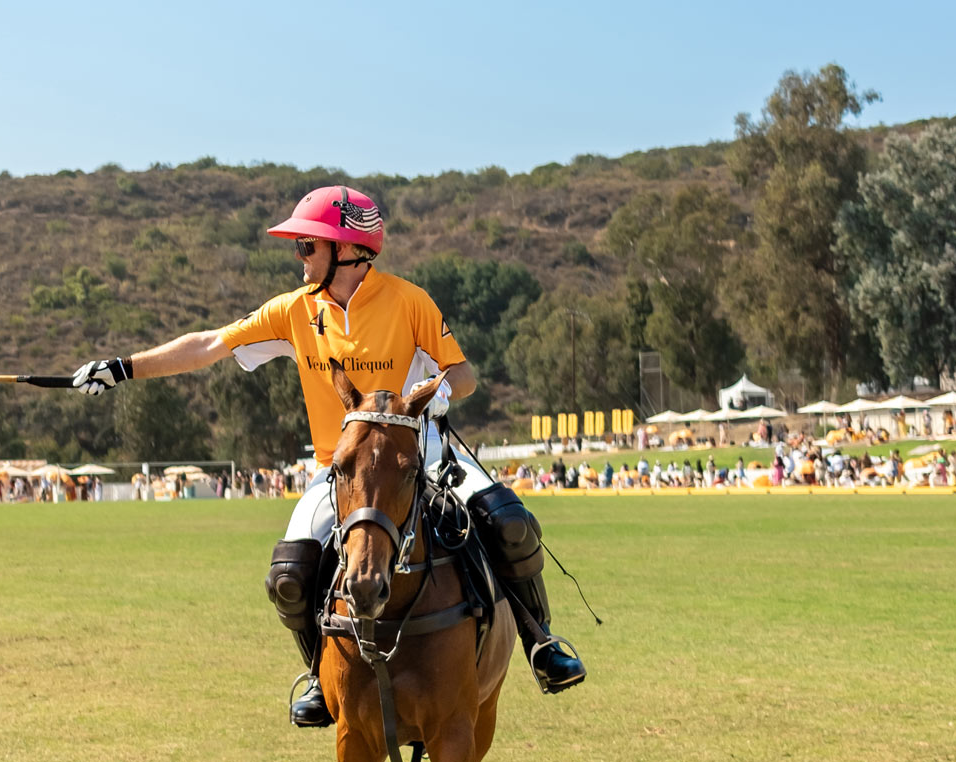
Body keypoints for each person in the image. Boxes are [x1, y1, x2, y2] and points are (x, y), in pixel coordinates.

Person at [70, 185, 584, 727]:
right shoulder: (294, 310)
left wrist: (433, 398)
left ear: (347, 249)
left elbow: (464, 375)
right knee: (289, 572)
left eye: (306, 247)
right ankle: (320, 672)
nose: (299, 258)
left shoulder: (410, 300)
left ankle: (541, 641)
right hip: (340, 466)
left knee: (508, 521)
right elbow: (209, 345)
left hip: (420, 450)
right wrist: (123, 367)